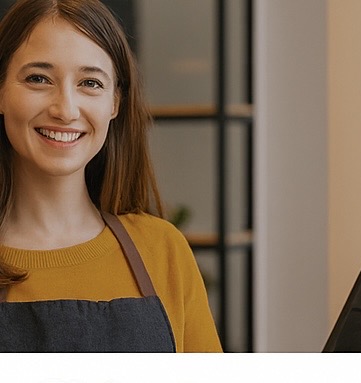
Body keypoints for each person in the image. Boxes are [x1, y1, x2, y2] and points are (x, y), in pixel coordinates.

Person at [0, 0, 222, 352]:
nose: (65, 109)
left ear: (115, 102)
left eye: (90, 82)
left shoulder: (163, 250)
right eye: (38, 79)